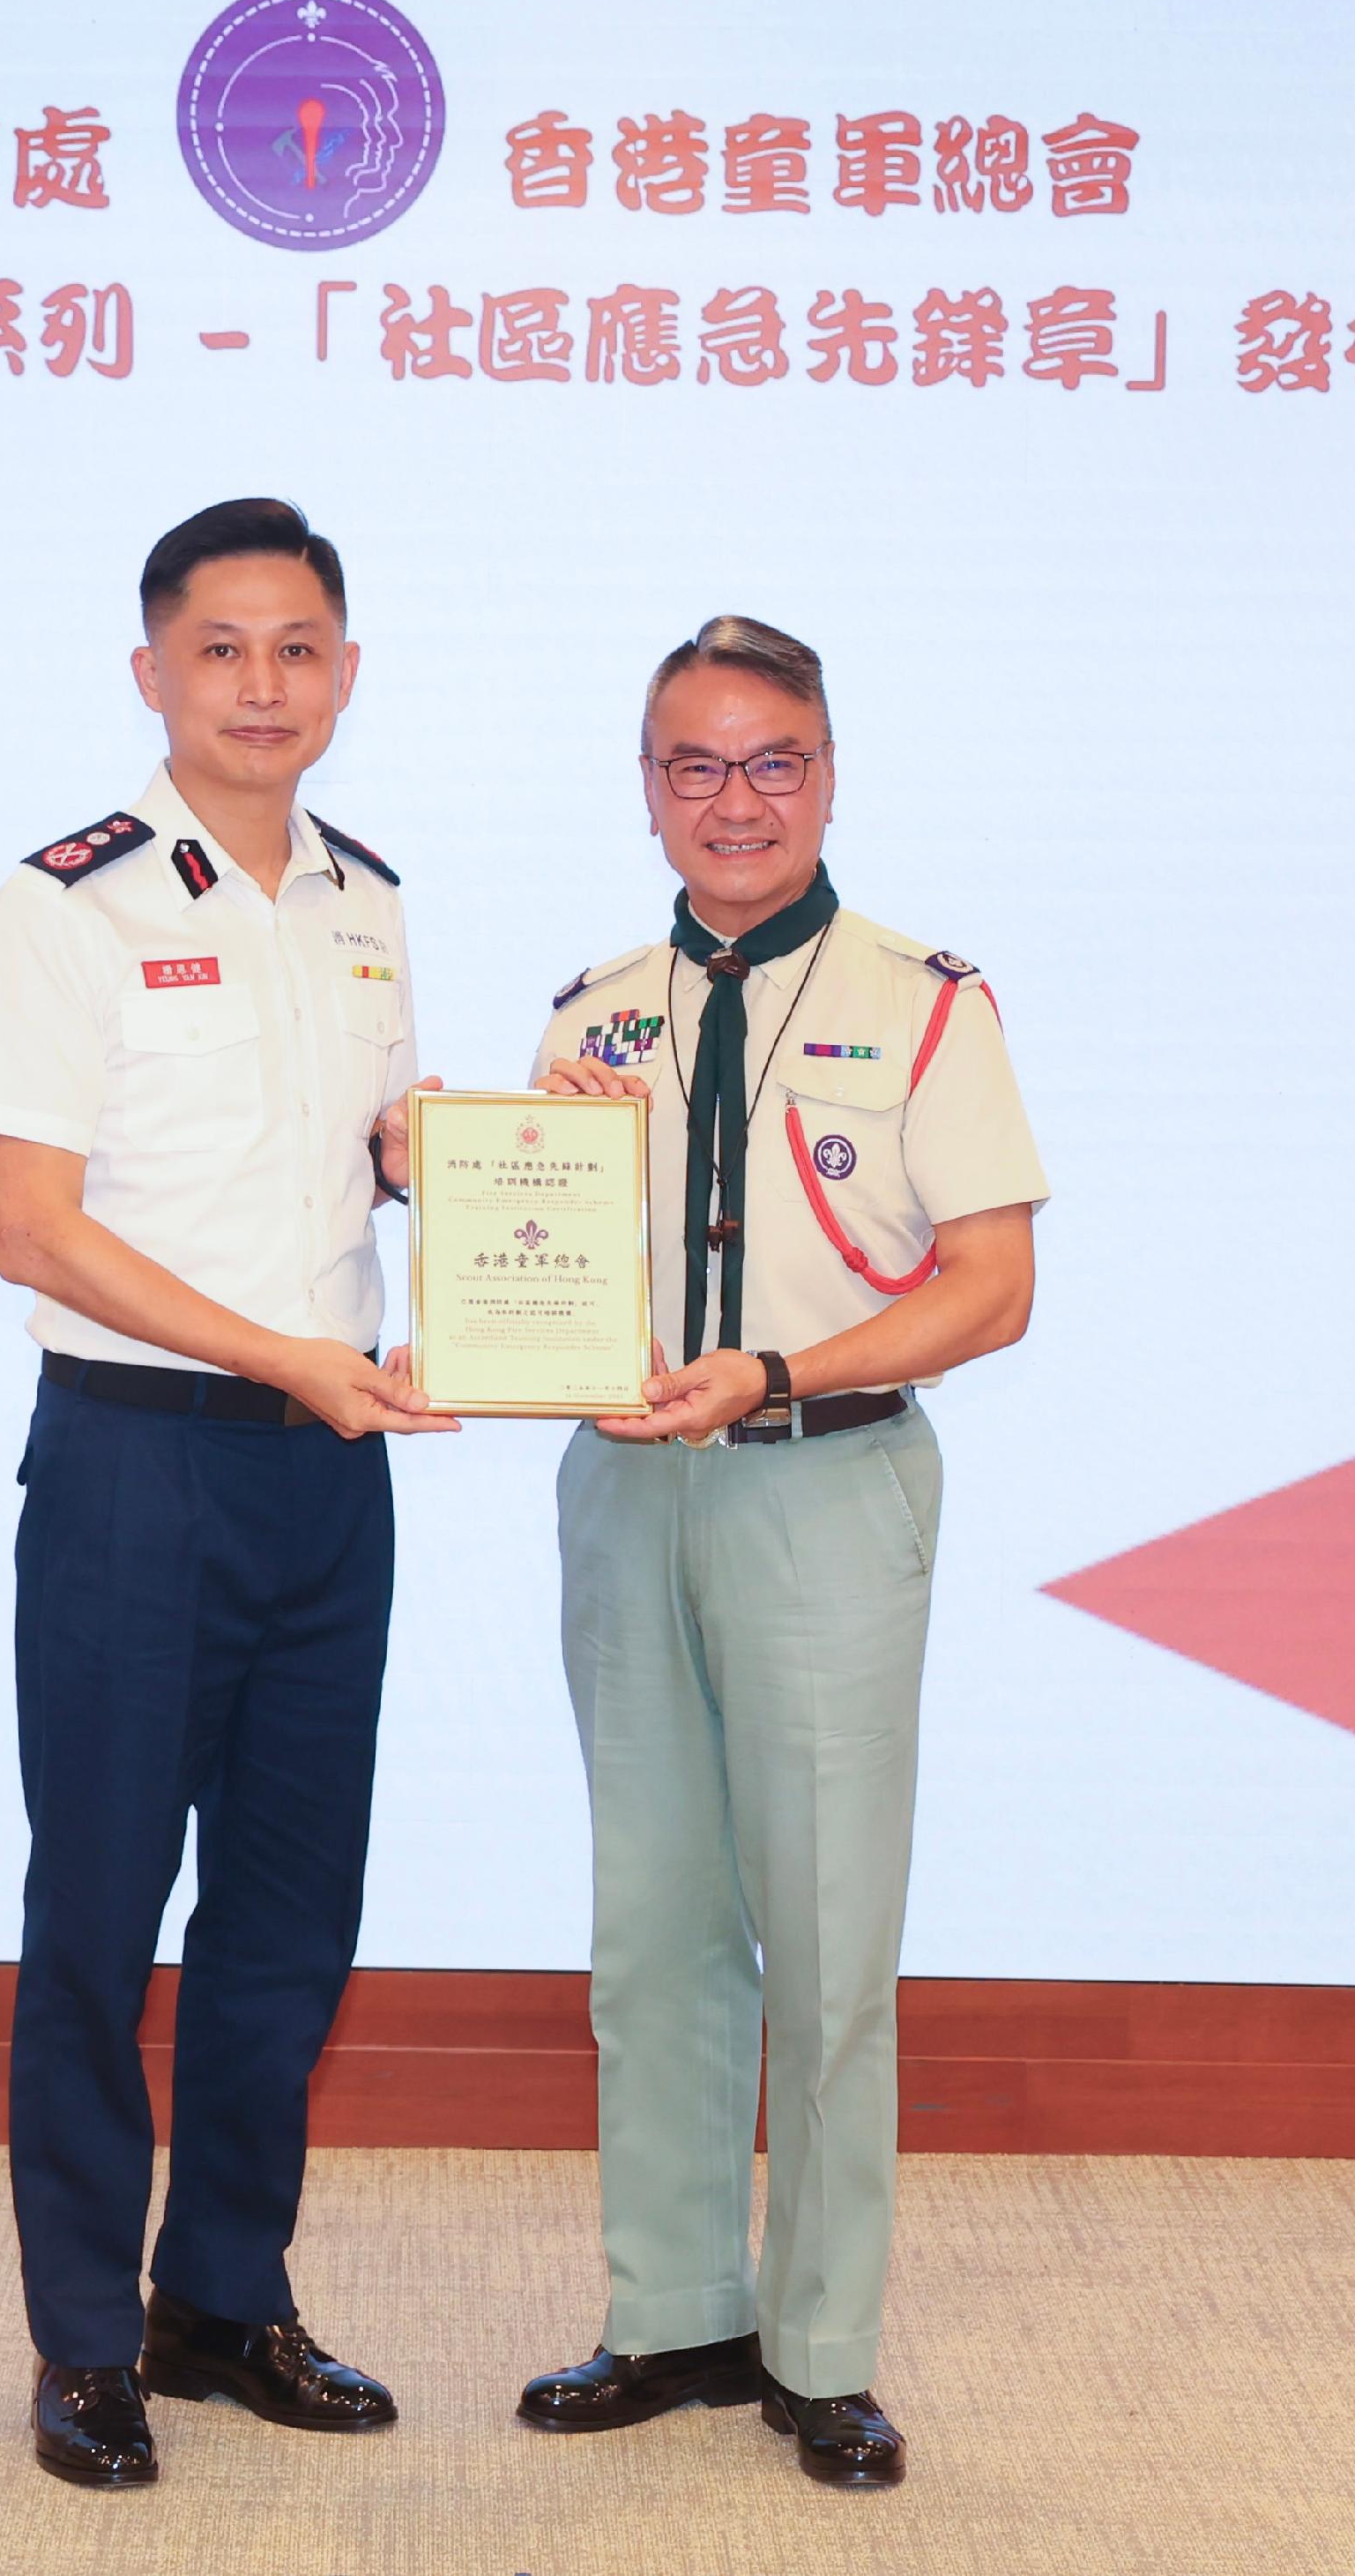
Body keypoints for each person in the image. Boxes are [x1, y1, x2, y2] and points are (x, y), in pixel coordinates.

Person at [0, 497, 456, 2491]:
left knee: (287, 1917)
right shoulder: (62, 903)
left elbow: (375, 1145)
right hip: (137, 1469)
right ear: (150, 671)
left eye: (298, 646)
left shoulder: (363, 896)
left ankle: (221, 2295)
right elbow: (30, 1230)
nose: (262, 683)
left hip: (329, 1480)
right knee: (95, 1910)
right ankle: (85, 2339)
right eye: (221, 647)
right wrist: (274, 1356)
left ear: (344, 673)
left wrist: (494, 1155)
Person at [514, 615, 1045, 2490]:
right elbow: (528, 1272)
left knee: (825, 1935)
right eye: (690, 764)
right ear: (644, 784)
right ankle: (669, 2305)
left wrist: (777, 1367)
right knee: (649, 1928)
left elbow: (993, 1287)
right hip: (623, 1488)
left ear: (826, 773)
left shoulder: (922, 1002)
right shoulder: (590, 1015)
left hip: (823, 1481)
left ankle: (819, 2342)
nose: (731, 800)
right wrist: (473, 1164)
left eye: (770, 762)